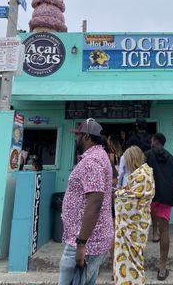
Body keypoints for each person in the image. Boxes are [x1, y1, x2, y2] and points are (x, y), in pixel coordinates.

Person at [59, 118, 114, 285]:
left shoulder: (91, 161)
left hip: (85, 241)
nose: (76, 138)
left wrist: (81, 245)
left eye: (78, 135)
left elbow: (95, 203)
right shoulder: (100, 156)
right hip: (90, 238)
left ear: (87, 137)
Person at [114, 146, 155, 285]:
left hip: (135, 226)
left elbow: (130, 200)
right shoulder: (140, 174)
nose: (124, 165)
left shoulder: (143, 175)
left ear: (132, 160)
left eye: (126, 161)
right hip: (135, 226)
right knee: (133, 258)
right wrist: (124, 192)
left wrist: (119, 193)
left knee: (133, 258)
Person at [145, 133, 173, 281]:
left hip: (150, 195)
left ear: (155, 141)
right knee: (165, 230)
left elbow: (141, 174)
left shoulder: (146, 155)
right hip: (167, 196)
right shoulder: (172, 159)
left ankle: (136, 264)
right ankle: (162, 269)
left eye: (151, 139)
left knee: (141, 226)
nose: (150, 141)